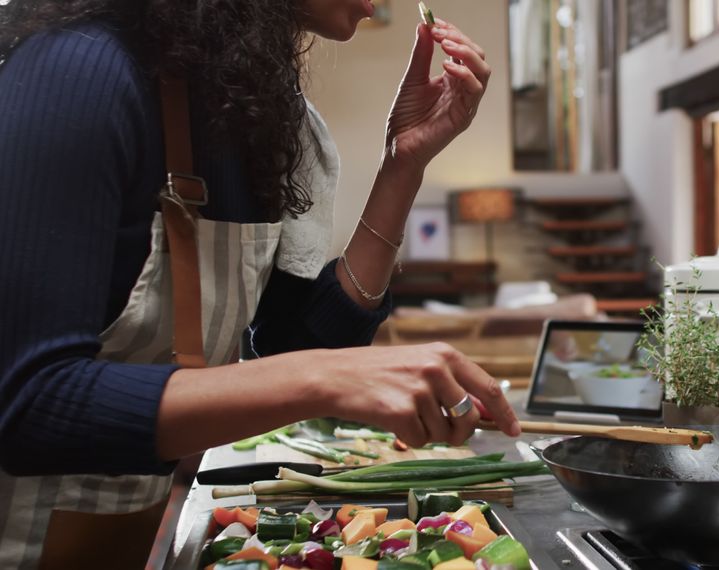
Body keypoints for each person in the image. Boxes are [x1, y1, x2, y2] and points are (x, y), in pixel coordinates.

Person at [0, 0, 521, 566]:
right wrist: (324, 377)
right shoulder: (79, 69)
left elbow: (291, 350)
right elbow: (28, 404)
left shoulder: (255, 107)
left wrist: (403, 165)